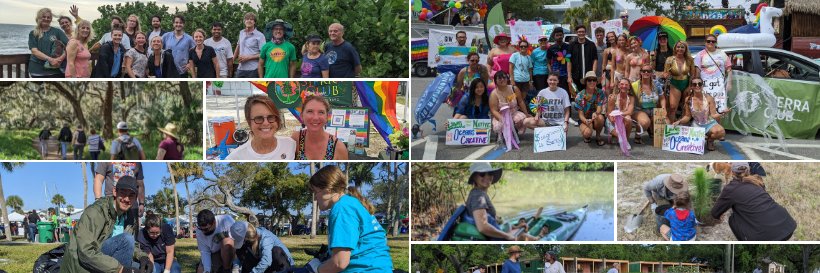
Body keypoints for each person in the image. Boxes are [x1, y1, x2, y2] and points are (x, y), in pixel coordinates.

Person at [298, 165, 393, 272]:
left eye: (316, 192)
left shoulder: (341, 208)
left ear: (328, 189)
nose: (315, 197)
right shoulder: (350, 203)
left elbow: (339, 263)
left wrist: (316, 269)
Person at [60, 176, 151, 273]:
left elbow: (130, 246)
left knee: (145, 268)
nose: (126, 199)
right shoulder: (96, 212)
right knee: (126, 239)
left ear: (136, 198)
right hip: (81, 267)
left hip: (107, 262)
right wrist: (121, 269)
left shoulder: (129, 217)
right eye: (123, 193)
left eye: (131, 195)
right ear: (115, 192)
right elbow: (85, 252)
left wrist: (142, 257)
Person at [711, 162, 797, 241]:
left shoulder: (731, 188)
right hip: (787, 224)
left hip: (768, 237)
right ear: (749, 170)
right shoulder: (757, 180)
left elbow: (715, 213)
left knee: (732, 218)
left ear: (732, 172)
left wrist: (720, 214)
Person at [463, 163, 536, 241]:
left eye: (490, 173)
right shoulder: (478, 195)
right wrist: (507, 236)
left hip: (494, 233)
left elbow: (491, 220)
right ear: (474, 177)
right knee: (525, 236)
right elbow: (482, 227)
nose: (487, 177)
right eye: (482, 174)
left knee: (524, 234)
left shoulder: (480, 193)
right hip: (493, 239)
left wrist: (516, 227)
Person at [226, 95, 296, 160]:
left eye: (271, 117)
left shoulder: (290, 145)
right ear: (249, 122)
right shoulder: (235, 158)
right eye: (259, 118)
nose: (266, 123)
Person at [672, 78, 727, 152]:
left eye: (699, 84)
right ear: (691, 87)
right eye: (694, 84)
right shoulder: (688, 99)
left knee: (721, 132)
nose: (697, 86)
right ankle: (701, 137)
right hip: (697, 125)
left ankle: (710, 140)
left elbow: (713, 115)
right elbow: (687, 116)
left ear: (702, 86)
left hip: (709, 123)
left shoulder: (709, 98)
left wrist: (722, 113)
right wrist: (679, 121)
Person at [291, 95, 349, 160]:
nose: (315, 118)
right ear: (302, 116)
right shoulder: (296, 139)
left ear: (327, 117)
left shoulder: (339, 147)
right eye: (310, 111)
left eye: (321, 112)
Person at [230, 221, 294, 273]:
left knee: (276, 251)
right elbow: (239, 254)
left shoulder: (265, 237)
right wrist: (235, 267)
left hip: (282, 265)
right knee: (240, 250)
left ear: (246, 238)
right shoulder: (248, 241)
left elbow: (266, 261)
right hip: (266, 266)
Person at [94, 162, 145, 226]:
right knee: (109, 229)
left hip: (131, 205)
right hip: (111, 204)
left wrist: (141, 203)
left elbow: (140, 184)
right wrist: (98, 201)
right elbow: (98, 179)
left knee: (131, 230)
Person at [694, 34, 733, 114]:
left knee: (720, 110)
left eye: (713, 41)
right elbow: (697, 72)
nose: (711, 43)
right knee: (706, 108)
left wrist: (729, 83)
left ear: (716, 43)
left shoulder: (722, 53)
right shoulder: (700, 55)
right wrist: (697, 85)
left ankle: (718, 122)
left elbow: (729, 69)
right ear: (705, 42)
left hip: (719, 86)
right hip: (705, 86)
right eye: (708, 41)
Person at [28, 8, 69, 78]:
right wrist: (50, 60)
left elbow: (69, 46)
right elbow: (34, 51)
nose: (46, 19)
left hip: (55, 70)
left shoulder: (57, 32)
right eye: (44, 17)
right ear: (39, 18)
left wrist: (60, 59)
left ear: (51, 19)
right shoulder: (33, 33)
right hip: (37, 70)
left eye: (48, 17)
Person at [631, 64, 666, 144]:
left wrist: (663, 107)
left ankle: (651, 130)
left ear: (651, 73)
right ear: (641, 72)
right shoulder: (634, 85)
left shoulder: (657, 84)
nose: (646, 73)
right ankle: (637, 136)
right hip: (639, 110)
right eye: (644, 71)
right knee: (645, 122)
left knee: (666, 123)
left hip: (653, 109)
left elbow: (662, 98)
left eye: (648, 71)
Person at [489, 71, 531, 137]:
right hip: (501, 115)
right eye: (499, 78)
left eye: (504, 77)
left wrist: (526, 113)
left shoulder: (514, 89)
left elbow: (520, 102)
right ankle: (501, 135)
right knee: (498, 127)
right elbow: (494, 110)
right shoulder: (493, 94)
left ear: (507, 78)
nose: (502, 79)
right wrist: (503, 119)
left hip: (514, 113)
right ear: (495, 81)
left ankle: (515, 131)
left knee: (522, 118)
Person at [663, 41, 695, 123]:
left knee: (685, 107)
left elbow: (692, 74)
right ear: (675, 48)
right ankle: (672, 126)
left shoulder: (689, 59)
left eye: (682, 47)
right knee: (673, 107)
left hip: (686, 83)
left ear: (685, 49)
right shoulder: (670, 59)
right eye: (678, 47)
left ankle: (682, 126)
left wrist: (690, 87)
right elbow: (665, 73)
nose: (680, 49)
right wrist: (666, 75)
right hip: (674, 84)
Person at [574, 71, 606, 146]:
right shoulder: (580, 95)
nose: (592, 82)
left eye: (594, 80)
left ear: (596, 82)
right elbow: (580, 115)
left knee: (600, 117)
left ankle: (598, 135)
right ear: (585, 82)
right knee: (587, 133)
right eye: (589, 80)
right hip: (584, 118)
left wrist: (596, 113)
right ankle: (588, 135)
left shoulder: (600, 92)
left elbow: (599, 108)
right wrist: (585, 121)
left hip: (595, 118)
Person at [234, 12, 266, 78]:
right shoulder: (241, 33)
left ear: (254, 22)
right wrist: (232, 60)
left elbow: (263, 54)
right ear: (244, 21)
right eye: (247, 19)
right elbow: (238, 46)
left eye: (251, 19)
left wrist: (248, 58)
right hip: (240, 68)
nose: (249, 20)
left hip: (253, 69)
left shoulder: (260, 36)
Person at [568, 25, 597, 98]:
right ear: (576, 33)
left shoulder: (591, 44)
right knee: (576, 97)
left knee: (589, 96)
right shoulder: (571, 45)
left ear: (585, 32)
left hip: (589, 77)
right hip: (576, 77)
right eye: (579, 32)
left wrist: (593, 73)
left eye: (583, 32)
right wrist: (569, 76)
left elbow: (595, 60)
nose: (581, 33)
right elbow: (568, 61)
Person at [606, 78, 636, 145]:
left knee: (628, 118)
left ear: (629, 87)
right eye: (622, 84)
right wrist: (613, 120)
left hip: (623, 118)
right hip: (612, 120)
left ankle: (626, 140)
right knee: (620, 136)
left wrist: (618, 114)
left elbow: (630, 112)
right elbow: (609, 113)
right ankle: (618, 136)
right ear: (619, 86)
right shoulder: (613, 97)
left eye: (626, 85)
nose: (624, 86)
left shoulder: (631, 98)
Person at [509, 39, 534, 106]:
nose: (523, 47)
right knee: (513, 97)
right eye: (521, 46)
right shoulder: (514, 55)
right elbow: (510, 67)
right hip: (516, 80)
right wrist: (512, 80)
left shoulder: (529, 57)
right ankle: (511, 109)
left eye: (525, 46)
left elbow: (530, 70)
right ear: (519, 47)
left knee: (523, 98)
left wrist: (531, 81)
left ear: (527, 47)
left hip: (526, 81)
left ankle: (520, 109)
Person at [546, 28, 570, 92]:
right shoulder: (551, 48)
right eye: (557, 35)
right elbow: (548, 62)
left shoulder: (568, 46)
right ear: (554, 36)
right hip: (555, 75)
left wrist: (569, 75)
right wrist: (551, 73)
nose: (559, 37)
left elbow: (569, 61)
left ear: (563, 35)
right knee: (555, 92)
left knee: (566, 92)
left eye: (560, 35)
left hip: (566, 75)